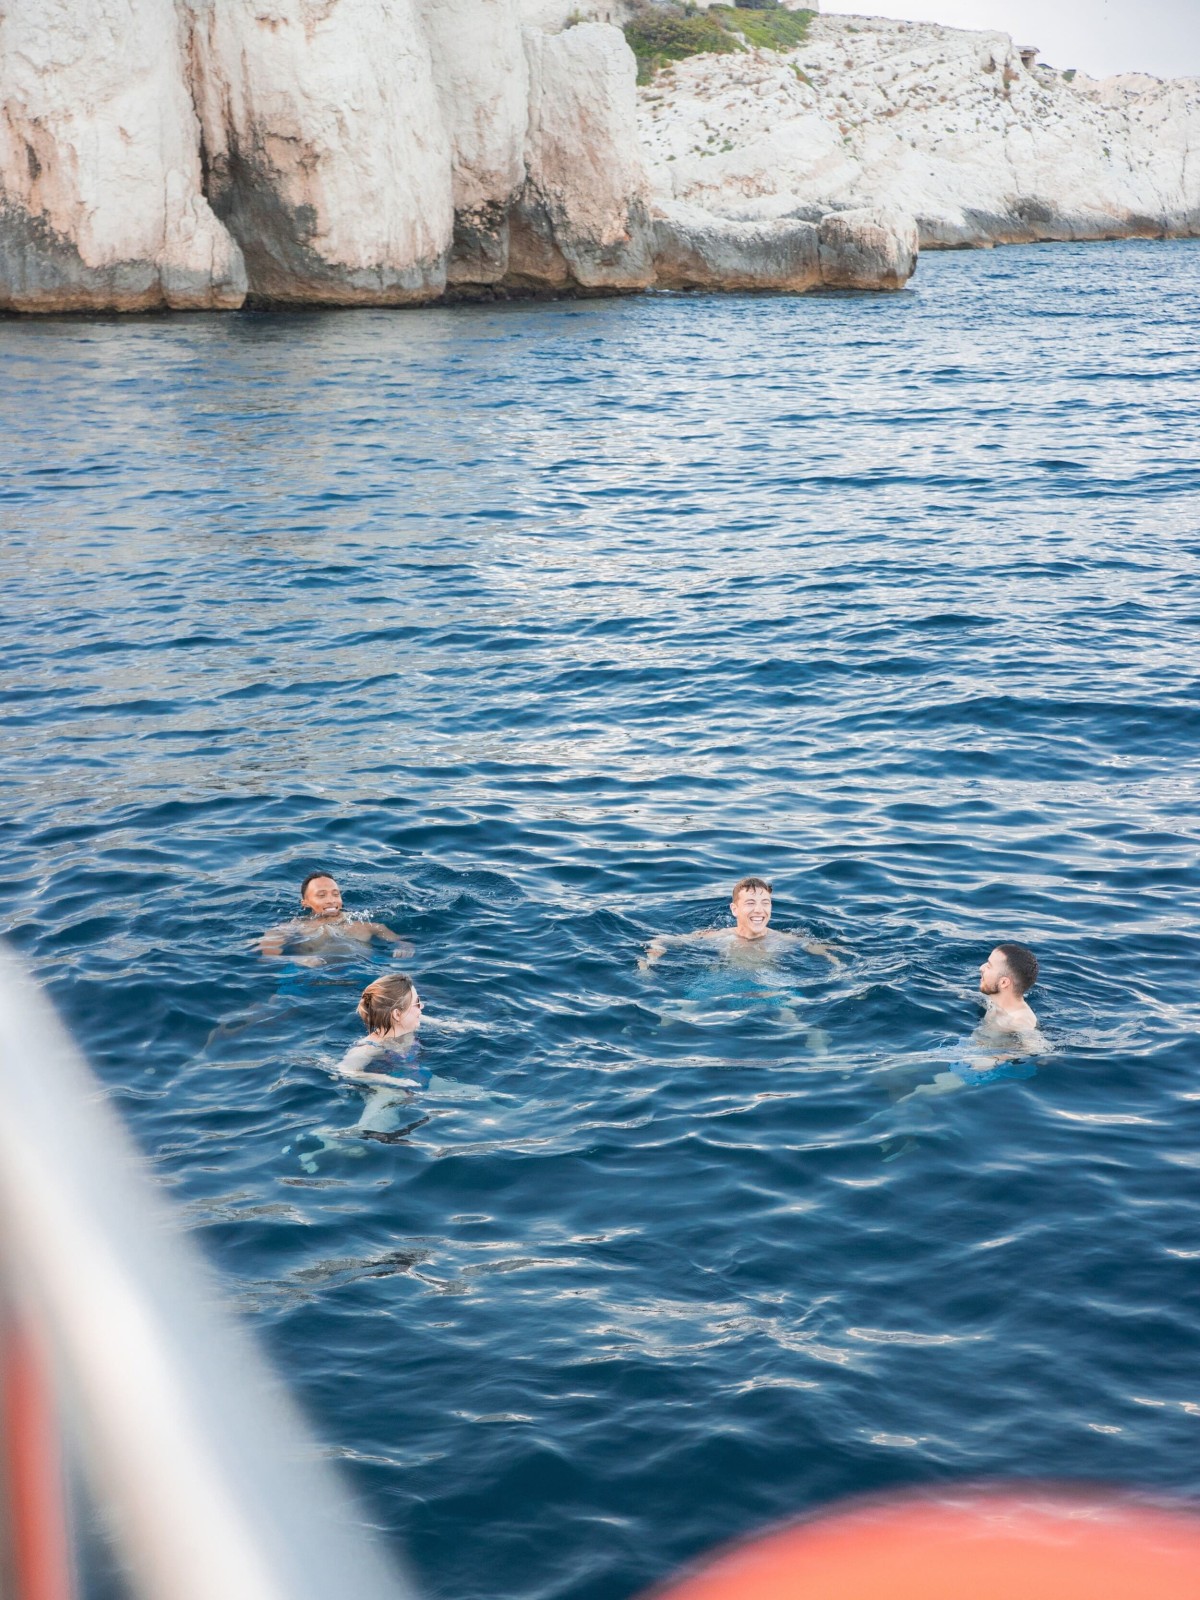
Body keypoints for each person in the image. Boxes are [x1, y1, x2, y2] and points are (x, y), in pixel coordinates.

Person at [639, 876, 842, 971]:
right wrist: (653, 955)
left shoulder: (782, 938)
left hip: (769, 983)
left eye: (765, 903)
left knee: (792, 1017)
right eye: (750, 903)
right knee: (682, 1009)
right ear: (734, 909)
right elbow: (665, 940)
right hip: (721, 981)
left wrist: (837, 964)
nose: (759, 910)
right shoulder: (718, 936)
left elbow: (819, 948)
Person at [258, 872, 412, 962]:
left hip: (365, 972)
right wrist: (299, 960)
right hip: (312, 977)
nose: (331, 900)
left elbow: (401, 941)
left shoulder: (364, 924)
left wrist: (404, 947)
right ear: (305, 903)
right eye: (321, 895)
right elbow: (268, 955)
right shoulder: (295, 927)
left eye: (335, 894)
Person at [338, 973, 425, 1084]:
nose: (421, 1007)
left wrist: (449, 1026)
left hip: (415, 1077)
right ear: (397, 1014)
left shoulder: (407, 1023)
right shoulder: (370, 1047)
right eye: (417, 1003)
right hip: (387, 1091)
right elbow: (345, 1071)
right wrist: (395, 1081)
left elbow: (423, 1017)